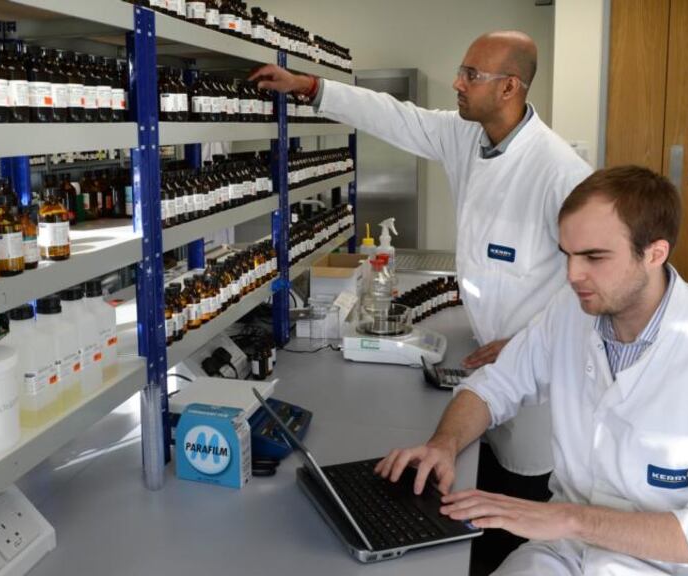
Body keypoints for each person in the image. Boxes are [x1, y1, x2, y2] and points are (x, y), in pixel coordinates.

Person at [250, 31, 592, 569]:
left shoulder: (560, 172)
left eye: (471, 76)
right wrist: (314, 88)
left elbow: (592, 282)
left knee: (518, 506)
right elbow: (395, 115)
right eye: (461, 70)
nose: (458, 82)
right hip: (482, 357)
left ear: (509, 87)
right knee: (477, 483)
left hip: (536, 377)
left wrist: (530, 342)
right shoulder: (467, 136)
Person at [375, 166, 688, 574]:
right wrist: (444, 444)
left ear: (655, 253)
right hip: (565, 554)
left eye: (593, 257)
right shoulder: (570, 312)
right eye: (567, 254)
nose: (571, 275)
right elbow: (493, 387)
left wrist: (568, 517)